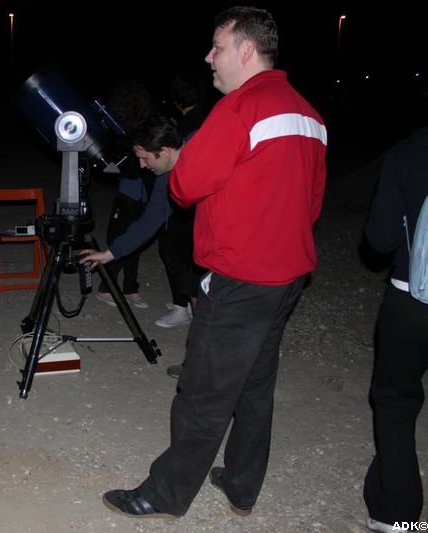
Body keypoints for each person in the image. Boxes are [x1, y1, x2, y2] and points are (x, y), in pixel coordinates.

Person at [101, 6, 327, 519]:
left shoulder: (239, 107)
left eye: (217, 47)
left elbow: (183, 186)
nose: (209, 58)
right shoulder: (309, 114)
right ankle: (242, 485)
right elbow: (311, 204)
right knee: (254, 385)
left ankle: (164, 494)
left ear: (246, 51)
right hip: (286, 277)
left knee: (203, 390)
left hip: (241, 278)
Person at [362, 126, 428, 533]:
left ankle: (397, 515)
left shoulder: (410, 152)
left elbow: (381, 238)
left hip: (414, 299)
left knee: (396, 401)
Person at [78, 115, 181, 284]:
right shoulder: (165, 179)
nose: (142, 165)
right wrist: (109, 254)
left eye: (144, 158)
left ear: (164, 151)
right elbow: (149, 222)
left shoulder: (205, 156)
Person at [157, 73, 212, 378]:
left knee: (194, 282)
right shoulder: (215, 119)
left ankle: (198, 362)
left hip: (194, 217)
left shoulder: (186, 131)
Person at [94, 81, 155, 310]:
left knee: (136, 239)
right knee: (121, 240)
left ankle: (130, 288)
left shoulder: (140, 129)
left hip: (141, 192)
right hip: (128, 192)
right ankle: (106, 288)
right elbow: (114, 163)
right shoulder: (119, 132)